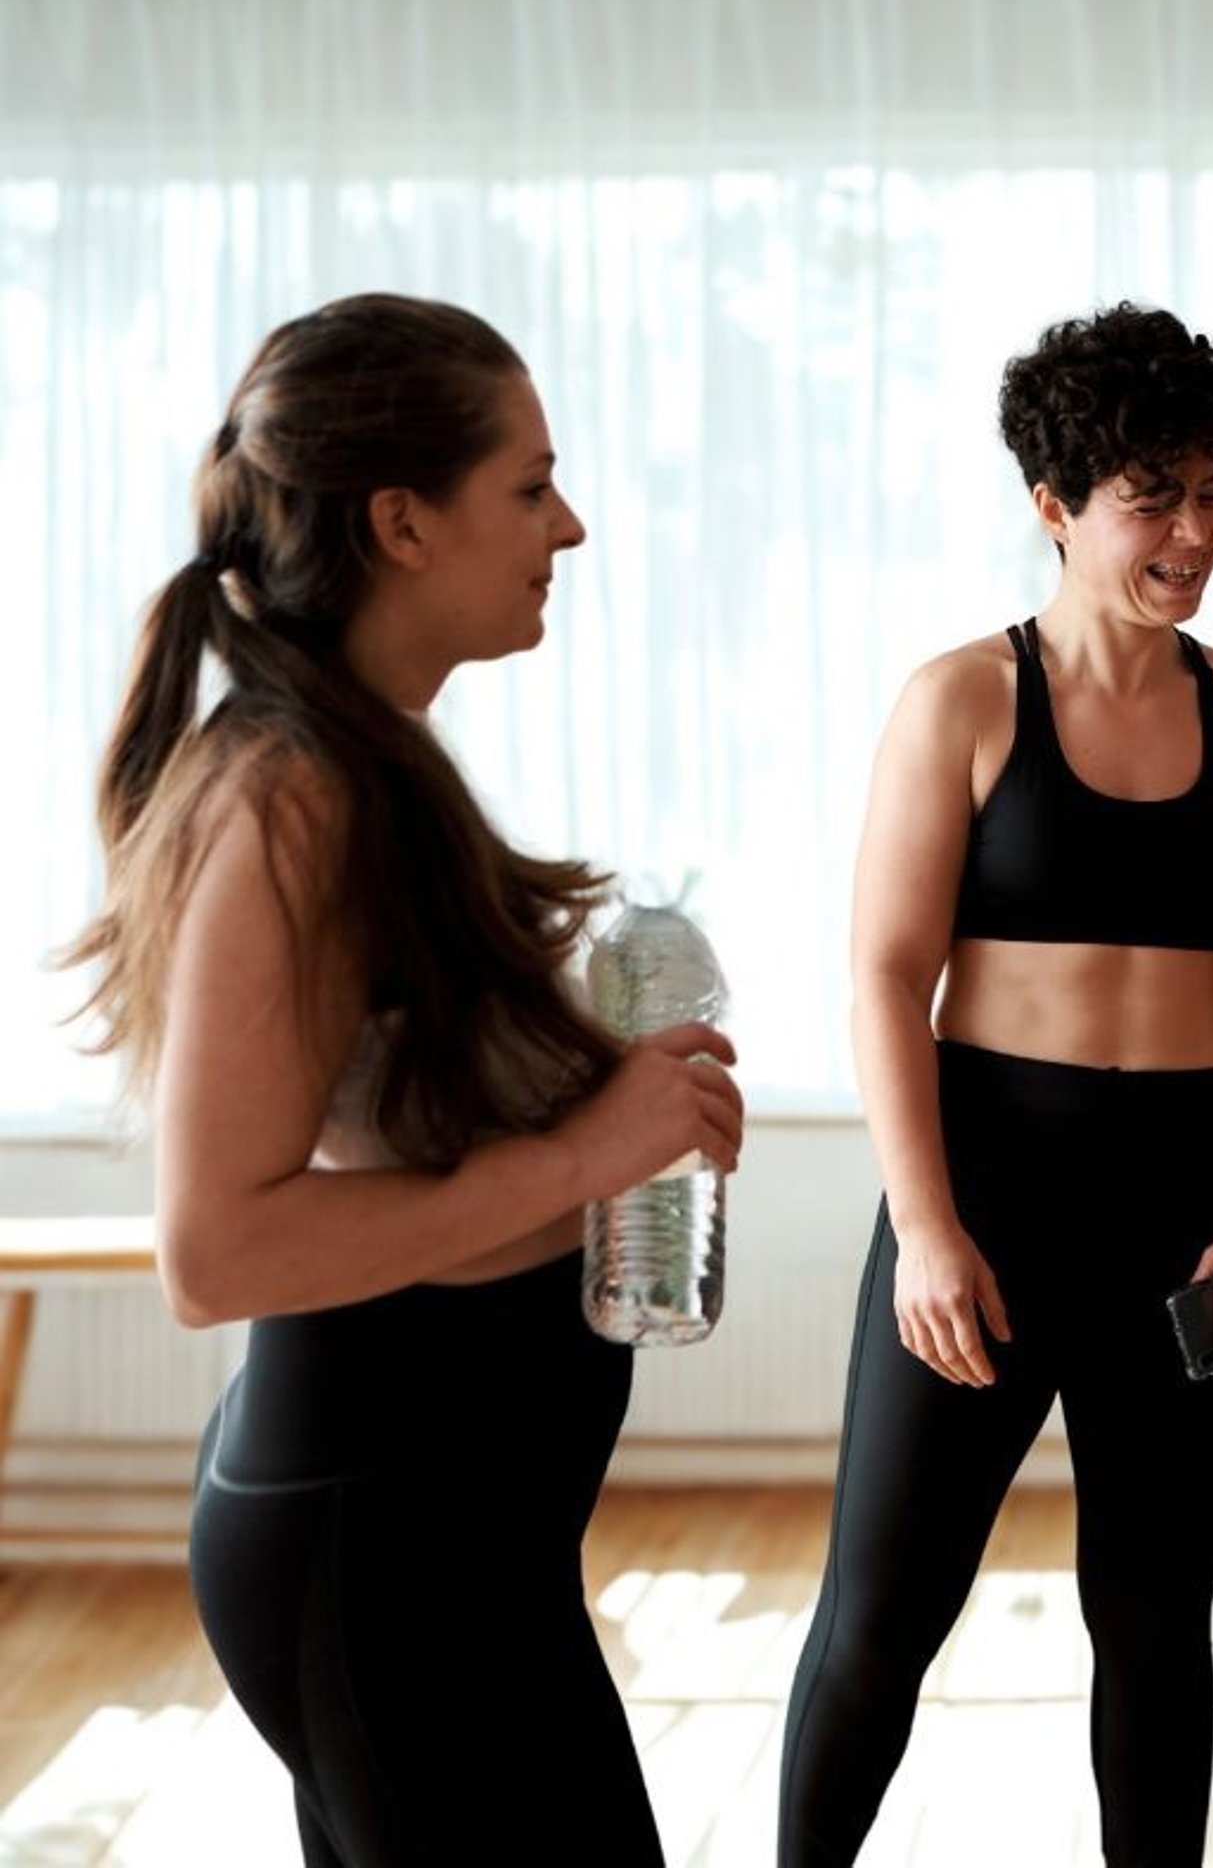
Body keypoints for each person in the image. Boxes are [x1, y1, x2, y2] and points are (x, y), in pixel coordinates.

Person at [63, 294, 744, 1867]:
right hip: (382, 1548)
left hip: (449, 1542)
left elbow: (404, 1153)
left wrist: (618, 1121)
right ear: (401, 521)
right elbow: (217, 1251)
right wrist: (586, 1155)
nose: (567, 525)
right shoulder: (297, 795)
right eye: (528, 484)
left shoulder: (366, 766)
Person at [777, 301, 1213, 1868]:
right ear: (1054, 505)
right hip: (987, 1193)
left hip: (1188, 1204)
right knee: (883, 1613)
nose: (1195, 529)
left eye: (1211, 487)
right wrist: (929, 1226)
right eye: (1151, 496)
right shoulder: (960, 699)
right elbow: (885, 976)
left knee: (1159, 1625)